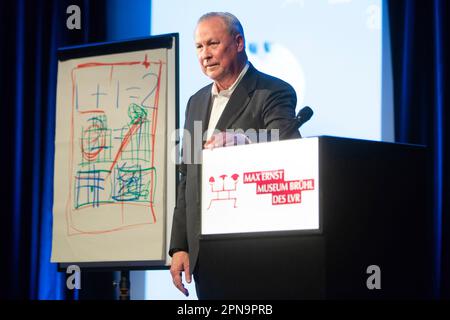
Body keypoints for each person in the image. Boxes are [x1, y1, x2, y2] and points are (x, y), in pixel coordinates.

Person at [169, 12, 301, 298]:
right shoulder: (195, 102)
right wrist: (179, 245)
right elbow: (186, 177)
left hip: (253, 251)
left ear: (239, 43)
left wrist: (245, 142)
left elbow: (291, 155)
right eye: (199, 47)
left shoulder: (272, 92)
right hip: (205, 255)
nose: (205, 54)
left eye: (213, 43)